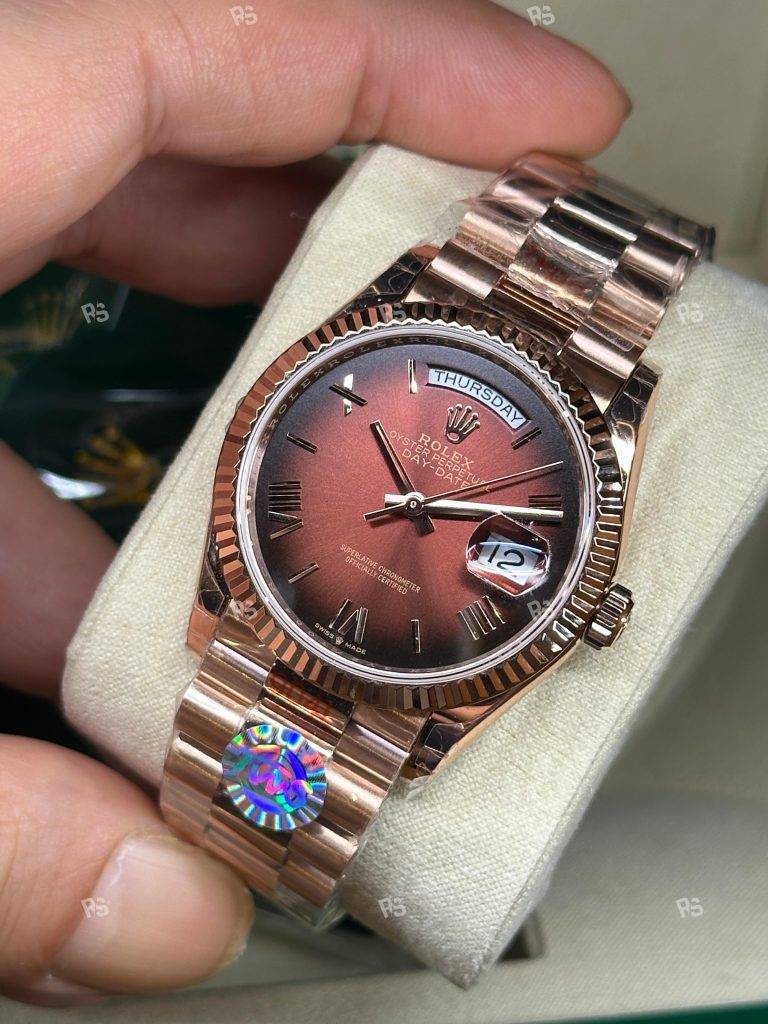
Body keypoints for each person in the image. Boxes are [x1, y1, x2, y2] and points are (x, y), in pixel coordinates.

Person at [0, 0, 629, 1006]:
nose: (414, 502)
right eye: (411, 491)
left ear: (586, 607)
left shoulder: (572, 500)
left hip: (396, 675)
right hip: (263, 617)